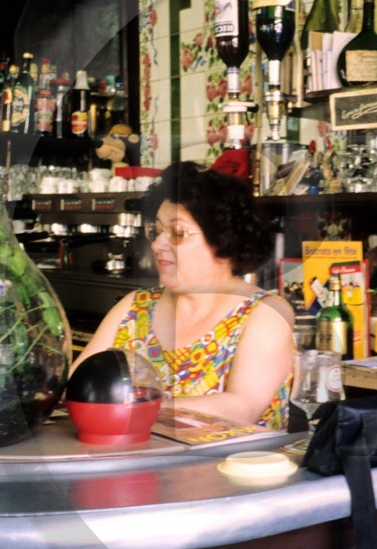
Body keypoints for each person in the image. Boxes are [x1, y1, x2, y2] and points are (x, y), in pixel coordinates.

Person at [74, 161, 293, 427]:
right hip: (139, 462)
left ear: (224, 238)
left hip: (231, 466)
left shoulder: (264, 315)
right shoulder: (136, 307)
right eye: (156, 231)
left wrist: (130, 410)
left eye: (178, 233)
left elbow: (241, 408)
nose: (156, 244)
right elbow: (76, 385)